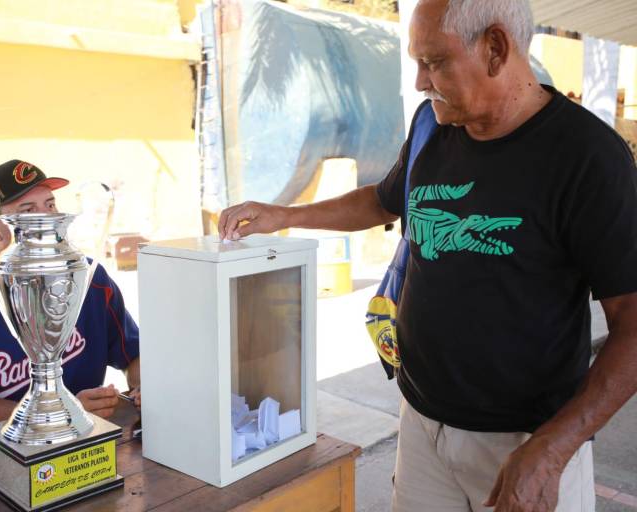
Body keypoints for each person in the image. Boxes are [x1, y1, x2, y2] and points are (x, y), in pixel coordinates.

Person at [219, 1, 637, 511]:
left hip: (525, 443)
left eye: (434, 62)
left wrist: (554, 448)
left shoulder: (588, 158)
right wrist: (283, 216)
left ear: (495, 48)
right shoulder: (432, 126)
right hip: (421, 423)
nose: (420, 82)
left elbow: (633, 326)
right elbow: (383, 199)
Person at [0, 159, 141, 436]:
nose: (47, 218)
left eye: (50, 205)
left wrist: (143, 386)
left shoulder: (88, 277)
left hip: (85, 446)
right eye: (28, 210)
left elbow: (134, 353)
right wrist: (61, 413)